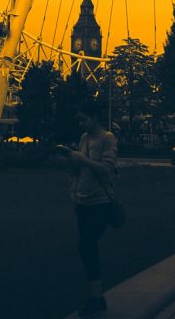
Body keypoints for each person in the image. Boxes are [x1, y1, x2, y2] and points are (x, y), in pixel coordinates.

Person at [62, 99, 118, 318]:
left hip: (100, 202)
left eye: (84, 119)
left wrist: (81, 159)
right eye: (79, 120)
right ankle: (96, 296)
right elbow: (76, 170)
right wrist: (73, 191)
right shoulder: (84, 138)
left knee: (87, 246)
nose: (81, 123)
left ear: (95, 118)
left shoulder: (108, 138)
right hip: (83, 201)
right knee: (87, 248)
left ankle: (95, 297)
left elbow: (107, 169)